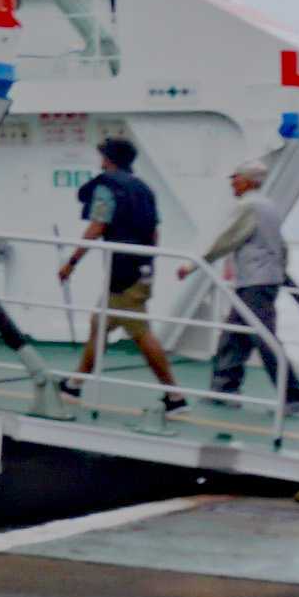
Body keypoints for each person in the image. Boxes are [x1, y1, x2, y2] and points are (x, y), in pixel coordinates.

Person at [58, 135, 182, 408]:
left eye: (102, 155)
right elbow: (154, 232)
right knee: (99, 326)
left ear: (108, 159)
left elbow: (97, 226)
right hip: (140, 269)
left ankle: (175, 396)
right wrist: (146, 261)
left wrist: (72, 262)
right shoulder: (144, 188)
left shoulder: (107, 188)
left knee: (141, 333)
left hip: (123, 275)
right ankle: (74, 385)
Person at [200, 158, 299, 411]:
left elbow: (228, 239)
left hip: (255, 281)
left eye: (235, 178)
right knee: (234, 334)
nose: (231, 183)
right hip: (262, 279)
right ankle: (224, 388)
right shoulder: (268, 206)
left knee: (265, 339)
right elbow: (281, 245)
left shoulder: (247, 206)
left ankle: (294, 396)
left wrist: (197, 263)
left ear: (246, 181)